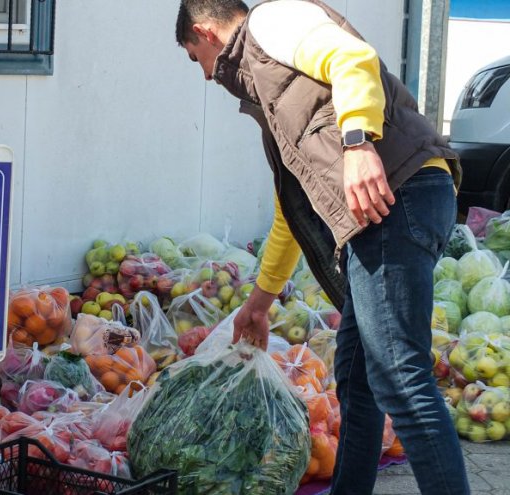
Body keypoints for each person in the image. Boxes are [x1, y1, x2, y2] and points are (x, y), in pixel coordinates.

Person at [174, 1, 469, 493]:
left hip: (399, 196)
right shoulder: (267, 91)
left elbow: (352, 57)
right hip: (380, 213)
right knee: (357, 378)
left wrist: (357, 143)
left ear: (205, 32)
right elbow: (291, 210)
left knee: (400, 376)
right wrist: (259, 303)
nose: (204, 76)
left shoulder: (271, 23)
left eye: (194, 57)